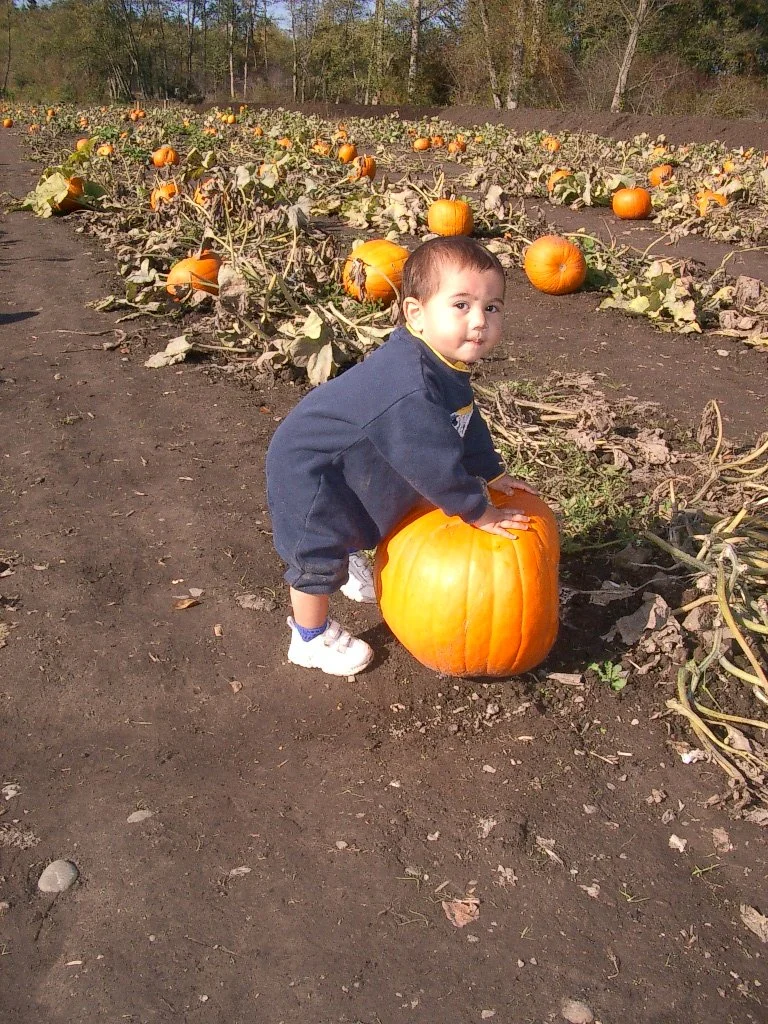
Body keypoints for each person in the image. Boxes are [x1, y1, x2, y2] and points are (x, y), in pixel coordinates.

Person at [266, 235, 536, 677]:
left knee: (363, 510)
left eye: (492, 307)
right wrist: (477, 510)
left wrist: (489, 471)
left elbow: (464, 419)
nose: (479, 321)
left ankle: (350, 554)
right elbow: (431, 461)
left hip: (349, 456)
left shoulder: (442, 362)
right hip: (311, 467)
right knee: (315, 553)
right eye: (461, 305)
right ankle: (309, 638)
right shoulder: (410, 384)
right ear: (416, 313)